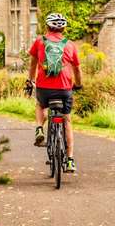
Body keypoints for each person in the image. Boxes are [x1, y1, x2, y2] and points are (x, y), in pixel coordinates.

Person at [26, 13, 83, 172]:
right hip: (64, 89)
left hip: (44, 88)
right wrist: (78, 84)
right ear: (63, 29)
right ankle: (70, 160)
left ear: (47, 27)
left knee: (40, 105)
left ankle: (39, 128)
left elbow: (32, 65)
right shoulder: (69, 45)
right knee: (67, 120)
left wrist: (30, 80)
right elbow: (77, 70)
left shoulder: (39, 41)